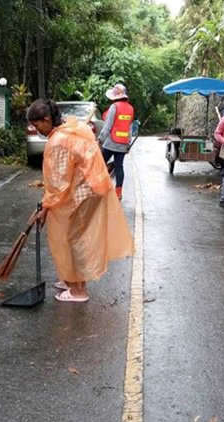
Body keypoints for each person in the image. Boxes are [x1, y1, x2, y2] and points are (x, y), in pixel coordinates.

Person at [27, 99, 134, 303]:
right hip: (92, 188)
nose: (36, 129)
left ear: (47, 119)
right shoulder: (72, 128)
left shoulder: (59, 140)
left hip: (85, 193)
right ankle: (71, 280)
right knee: (74, 235)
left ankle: (78, 291)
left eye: (37, 124)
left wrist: (46, 207)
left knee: (74, 238)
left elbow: (59, 183)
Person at [98, 83, 134, 200]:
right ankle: (118, 192)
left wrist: (101, 139)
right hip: (123, 143)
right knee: (119, 167)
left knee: (100, 164)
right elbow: (130, 127)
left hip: (111, 142)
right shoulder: (130, 108)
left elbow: (108, 125)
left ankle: (100, 188)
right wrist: (128, 142)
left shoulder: (114, 107)